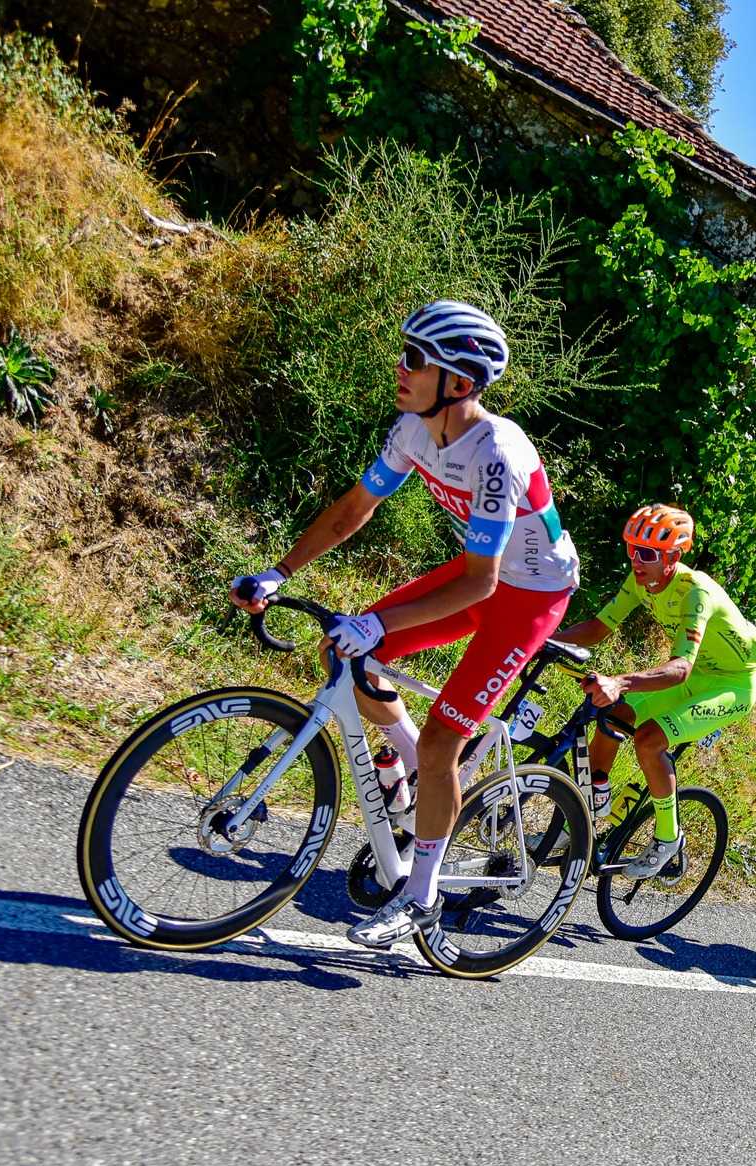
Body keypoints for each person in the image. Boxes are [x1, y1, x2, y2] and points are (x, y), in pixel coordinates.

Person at [230, 300, 579, 949]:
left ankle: (422, 895)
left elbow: (482, 583)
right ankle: (419, 770)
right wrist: (279, 572)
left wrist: (377, 619)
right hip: (483, 571)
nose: (400, 366)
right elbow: (353, 509)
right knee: (353, 653)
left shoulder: (497, 452)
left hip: (530, 593)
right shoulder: (414, 431)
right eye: (404, 351)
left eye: (416, 358)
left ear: (459, 381)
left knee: (447, 732)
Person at [548, 503, 756, 876]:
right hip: (696, 673)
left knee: (649, 740)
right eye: (631, 549)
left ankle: (669, 837)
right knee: (612, 715)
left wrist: (619, 681)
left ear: (673, 555)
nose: (636, 560)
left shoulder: (696, 591)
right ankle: (584, 813)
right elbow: (600, 627)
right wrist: (543, 641)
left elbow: (680, 668)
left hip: (732, 683)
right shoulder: (640, 580)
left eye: (646, 553)